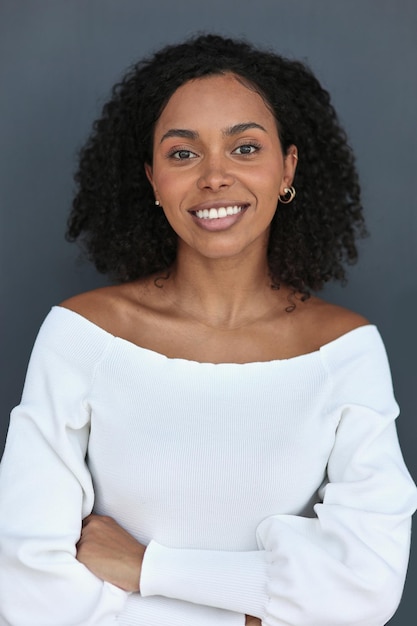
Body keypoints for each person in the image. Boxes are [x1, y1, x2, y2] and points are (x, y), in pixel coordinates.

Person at [0, 34, 415, 626]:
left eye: (245, 148)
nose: (215, 177)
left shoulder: (344, 352)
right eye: (183, 154)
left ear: (287, 167)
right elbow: (29, 584)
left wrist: (147, 569)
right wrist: (253, 614)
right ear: (151, 177)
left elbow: (364, 586)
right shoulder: (82, 337)